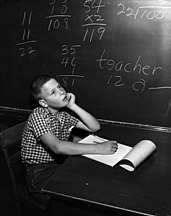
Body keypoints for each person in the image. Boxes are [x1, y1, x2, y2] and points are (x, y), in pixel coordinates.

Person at [21, 74, 118, 206]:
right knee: (77, 196)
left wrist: (73, 106)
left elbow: (94, 127)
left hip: (58, 165)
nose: (61, 92)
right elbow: (57, 147)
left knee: (90, 183)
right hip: (39, 173)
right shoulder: (38, 115)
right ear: (43, 102)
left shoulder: (63, 115)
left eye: (59, 86)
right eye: (53, 92)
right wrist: (98, 148)